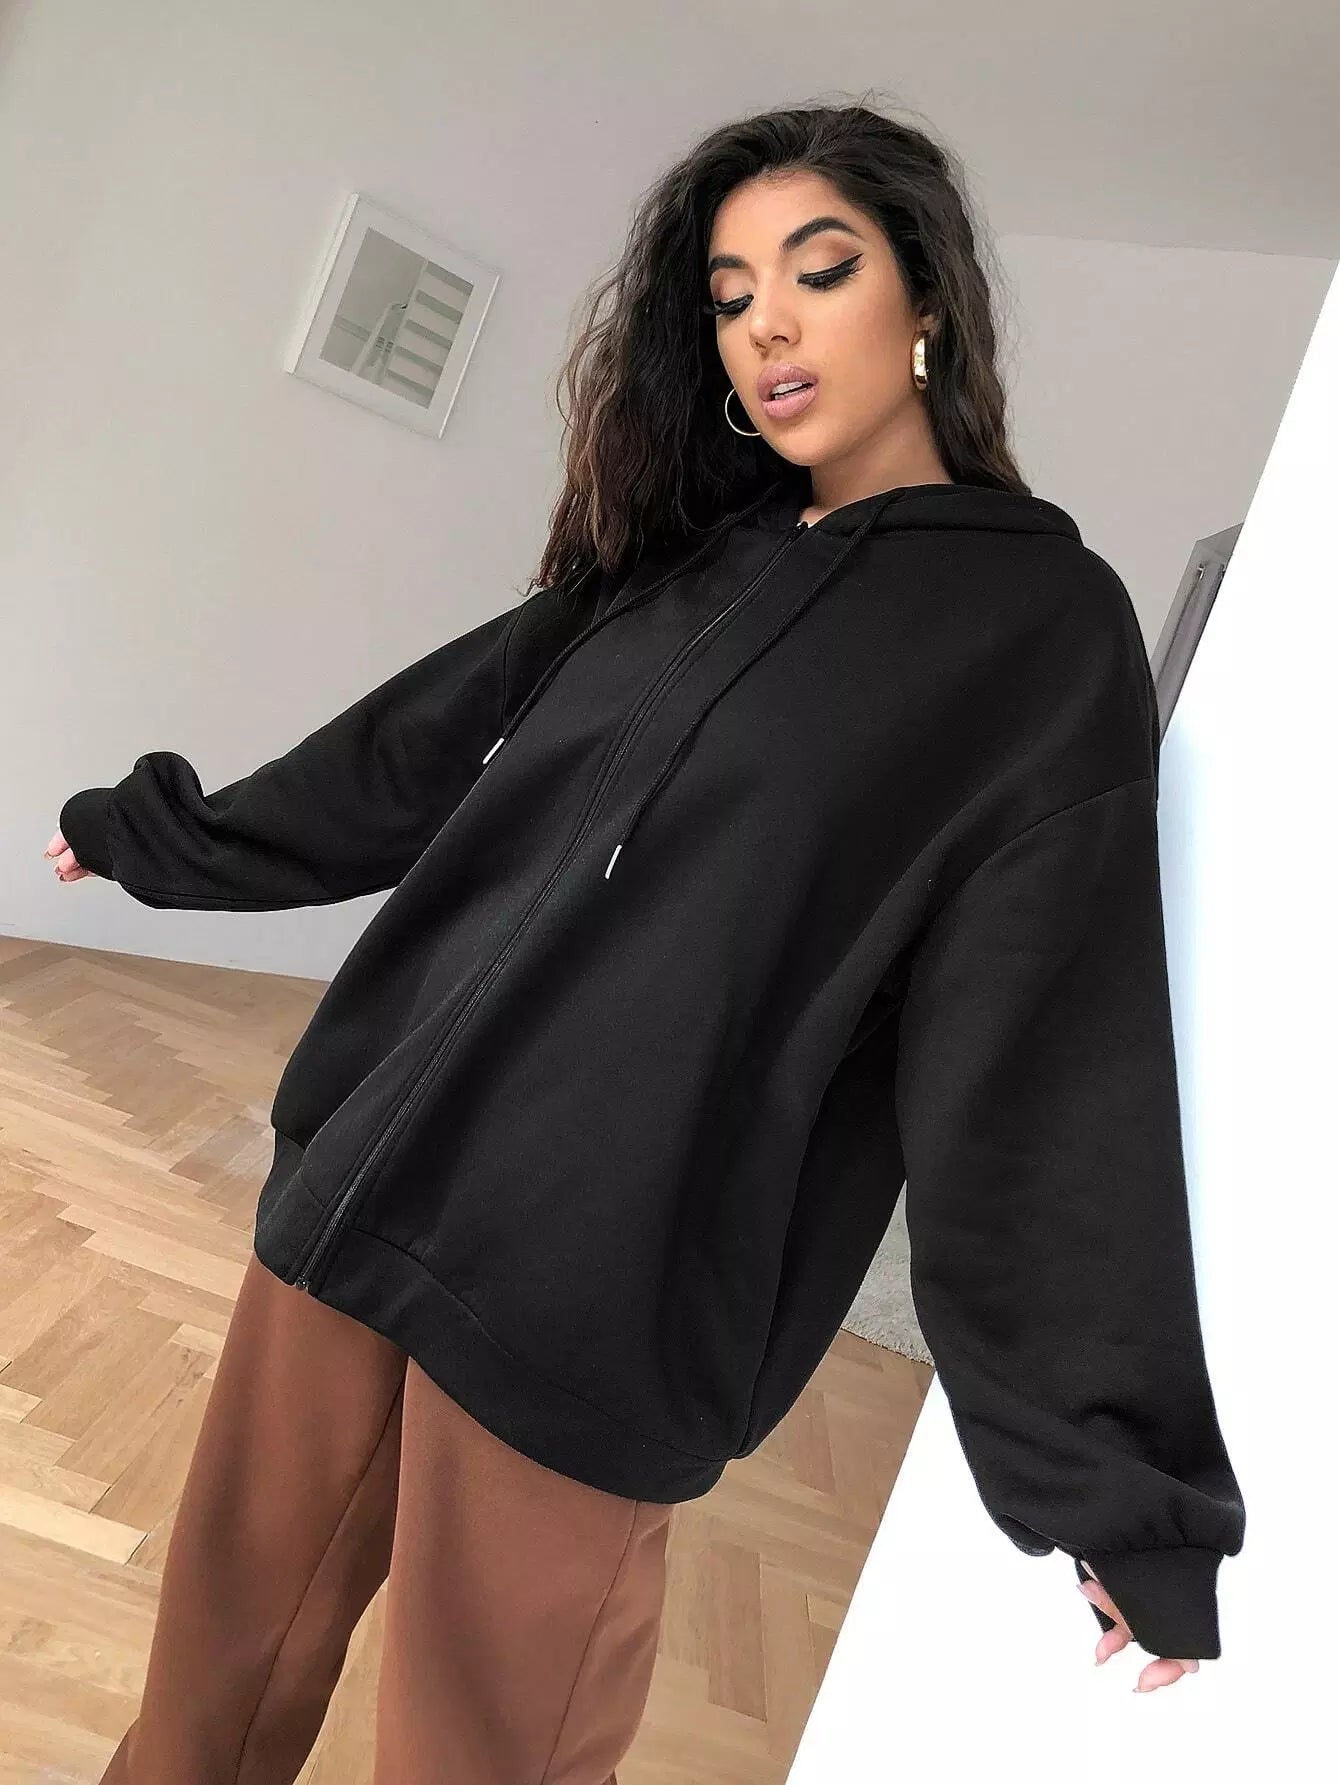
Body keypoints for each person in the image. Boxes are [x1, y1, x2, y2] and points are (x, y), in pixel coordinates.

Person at [46, 98, 1246, 1781]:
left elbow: (1037, 1049)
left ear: (926, 301)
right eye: (731, 292)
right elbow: (420, 745)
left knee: (483, 1759)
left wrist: (1115, 1482)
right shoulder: (687, 561)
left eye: (819, 271)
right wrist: (167, 837)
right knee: (198, 1715)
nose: (767, 323)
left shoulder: (1040, 636)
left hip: (597, 1292)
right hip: (370, 1175)